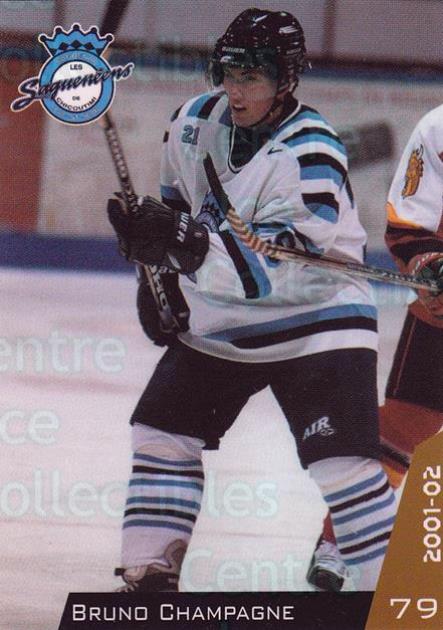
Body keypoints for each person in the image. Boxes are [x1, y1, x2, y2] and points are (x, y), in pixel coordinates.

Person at [107, 7, 397, 592]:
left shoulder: (312, 152)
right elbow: (177, 211)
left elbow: (271, 271)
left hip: (317, 318)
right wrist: (157, 273)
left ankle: (391, 592)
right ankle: (152, 575)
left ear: (285, 80)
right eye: (229, 74)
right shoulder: (191, 123)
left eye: (252, 77)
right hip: (225, 322)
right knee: (161, 434)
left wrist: (187, 249)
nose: (236, 91)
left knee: (342, 464)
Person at [307, 104, 443, 591]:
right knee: (406, 425)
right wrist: (430, 265)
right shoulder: (439, 128)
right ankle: (342, 540)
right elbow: (409, 223)